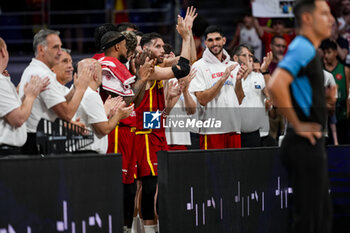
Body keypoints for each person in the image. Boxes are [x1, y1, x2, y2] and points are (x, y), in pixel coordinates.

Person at [268, 1, 334, 233]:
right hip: (303, 143)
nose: (332, 19)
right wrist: (299, 124)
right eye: (324, 14)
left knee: (320, 219)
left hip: (310, 143)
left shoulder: (307, 49)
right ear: (307, 18)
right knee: (309, 221)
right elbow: (275, 85)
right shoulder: (302, 47)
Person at [135, 15, 192, 233]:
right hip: (144, 134)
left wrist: (187, 36)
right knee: (147, 188)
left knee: (152, 188)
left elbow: (182, 61)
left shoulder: (157, 65)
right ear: (146, 49)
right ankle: (142, 229)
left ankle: (147, 228)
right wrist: (186, 37)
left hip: (156, 130)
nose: (162, 50)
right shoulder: (148, 68)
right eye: (157, 46)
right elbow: (182, 67)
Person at [19, 29, 91, 155]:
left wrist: (75, 87)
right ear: (41, 49)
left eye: (60, 47)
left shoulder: (35, 69)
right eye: (55, 47)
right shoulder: (42, 74)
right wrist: (81, 89)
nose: (60, 52)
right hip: (38, 143)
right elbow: (67, 113)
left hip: (36, 140)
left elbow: (60, 101)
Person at [188, 25, 247, 150]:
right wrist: (222, 79)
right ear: (205, 43)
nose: (214, 43)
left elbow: (240, 99)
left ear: (224, 41)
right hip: (211, 131)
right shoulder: (198, 66)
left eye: (217, 39)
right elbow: (202, 100)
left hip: (234, 128)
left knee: (234, 169)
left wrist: (238, 82)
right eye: (210, 40)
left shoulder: (234, 65)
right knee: (212, 169)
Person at [0, 37, 48, 156]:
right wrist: (31, 96)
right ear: (2, 52)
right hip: (5, 154)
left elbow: (9, 110)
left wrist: (22, 95)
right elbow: (18, 119)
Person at [74, 59, 134, 154]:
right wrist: (119, 115)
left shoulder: (74, 91)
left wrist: (105, 111)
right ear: (95, 76)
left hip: (80, 152)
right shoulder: (91, 95)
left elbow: (91, 121)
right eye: (101, 73)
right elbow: (104, 129)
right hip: (88, 154)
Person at [232, 44, 273, 147]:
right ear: (235, 58)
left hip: (254, 134)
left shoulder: (259, 76)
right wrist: (243, 75)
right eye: (244, 55)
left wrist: (265, 70)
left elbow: (272, 94)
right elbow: (237, 98)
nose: (248, 59)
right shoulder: (229, 75)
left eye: (250, 56)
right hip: (233, 133)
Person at [321, 38, 350, 144]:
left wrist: (348, 110)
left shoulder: (345, 70)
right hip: (325, 113)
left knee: (342, 142)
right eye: (324, 53)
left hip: (341, 112)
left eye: (329, 52)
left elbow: (348, 90)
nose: (326, 55)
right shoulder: (321, 70)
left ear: (336, 52)